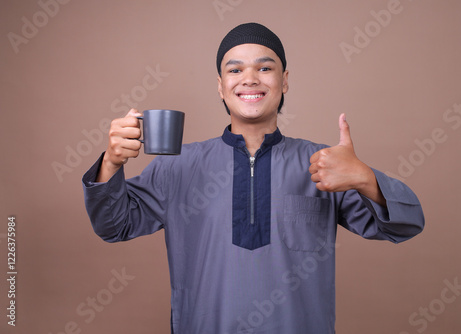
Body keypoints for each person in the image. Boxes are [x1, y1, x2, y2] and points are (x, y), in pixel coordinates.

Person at [82, 22, 424, 334]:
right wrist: (111, 163)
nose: (250, 79)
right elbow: (114, 226)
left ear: (285, 80)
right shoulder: (177, 167)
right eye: (235, 69)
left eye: (265, 67)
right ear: (220, 86)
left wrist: (364, 177)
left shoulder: (324, 165)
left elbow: (405, 224)